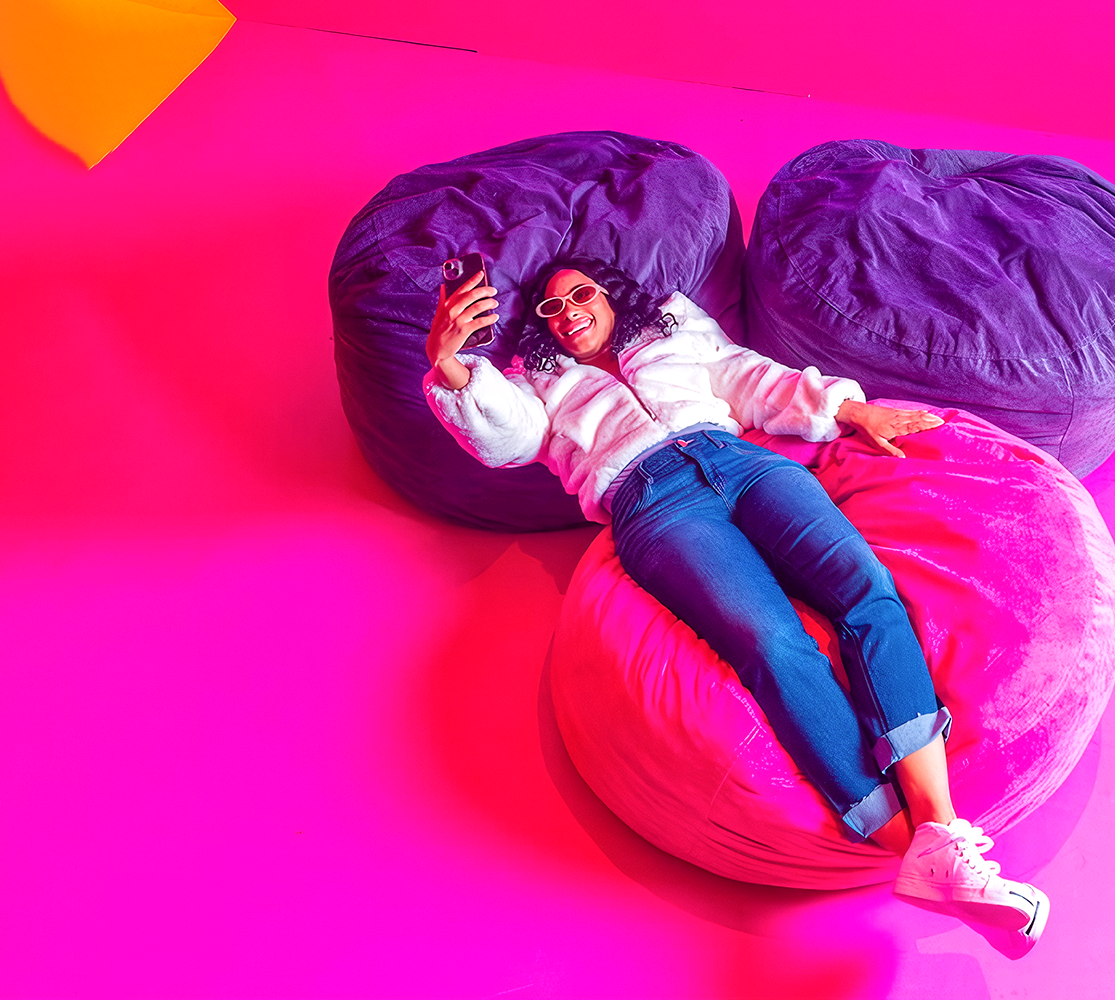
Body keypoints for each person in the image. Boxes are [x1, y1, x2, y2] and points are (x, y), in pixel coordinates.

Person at [423, 256, 1049, 958]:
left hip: (741, 463)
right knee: (770, 644)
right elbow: (507, 435)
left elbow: (747, 377)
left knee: (864, 588)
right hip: (652, 504)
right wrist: (450, 363)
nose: (568, 311)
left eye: (581, 294)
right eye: (548, 308)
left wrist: (848, 409)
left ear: (609, 293)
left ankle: (939, 829)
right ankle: (917, 850)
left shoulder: (671, 327)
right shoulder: (534, 386)